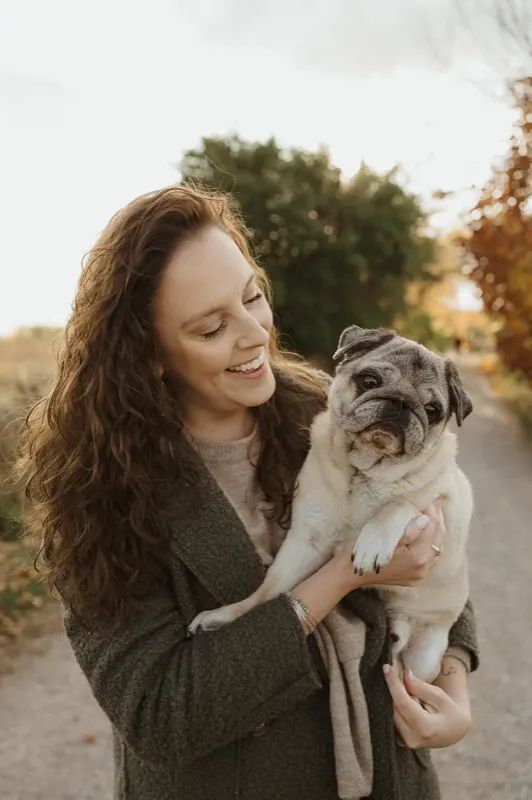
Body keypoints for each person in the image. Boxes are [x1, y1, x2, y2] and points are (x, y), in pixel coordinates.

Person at [20, 184, 478, 800]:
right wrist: (338, 578)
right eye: (212, 328)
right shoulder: (101, 493)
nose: (254, 334)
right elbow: (160, 716)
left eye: (252, 297)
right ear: (148, 354)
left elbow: (437, 544)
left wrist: (454, 683)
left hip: (388, 773)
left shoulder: (326, 410)